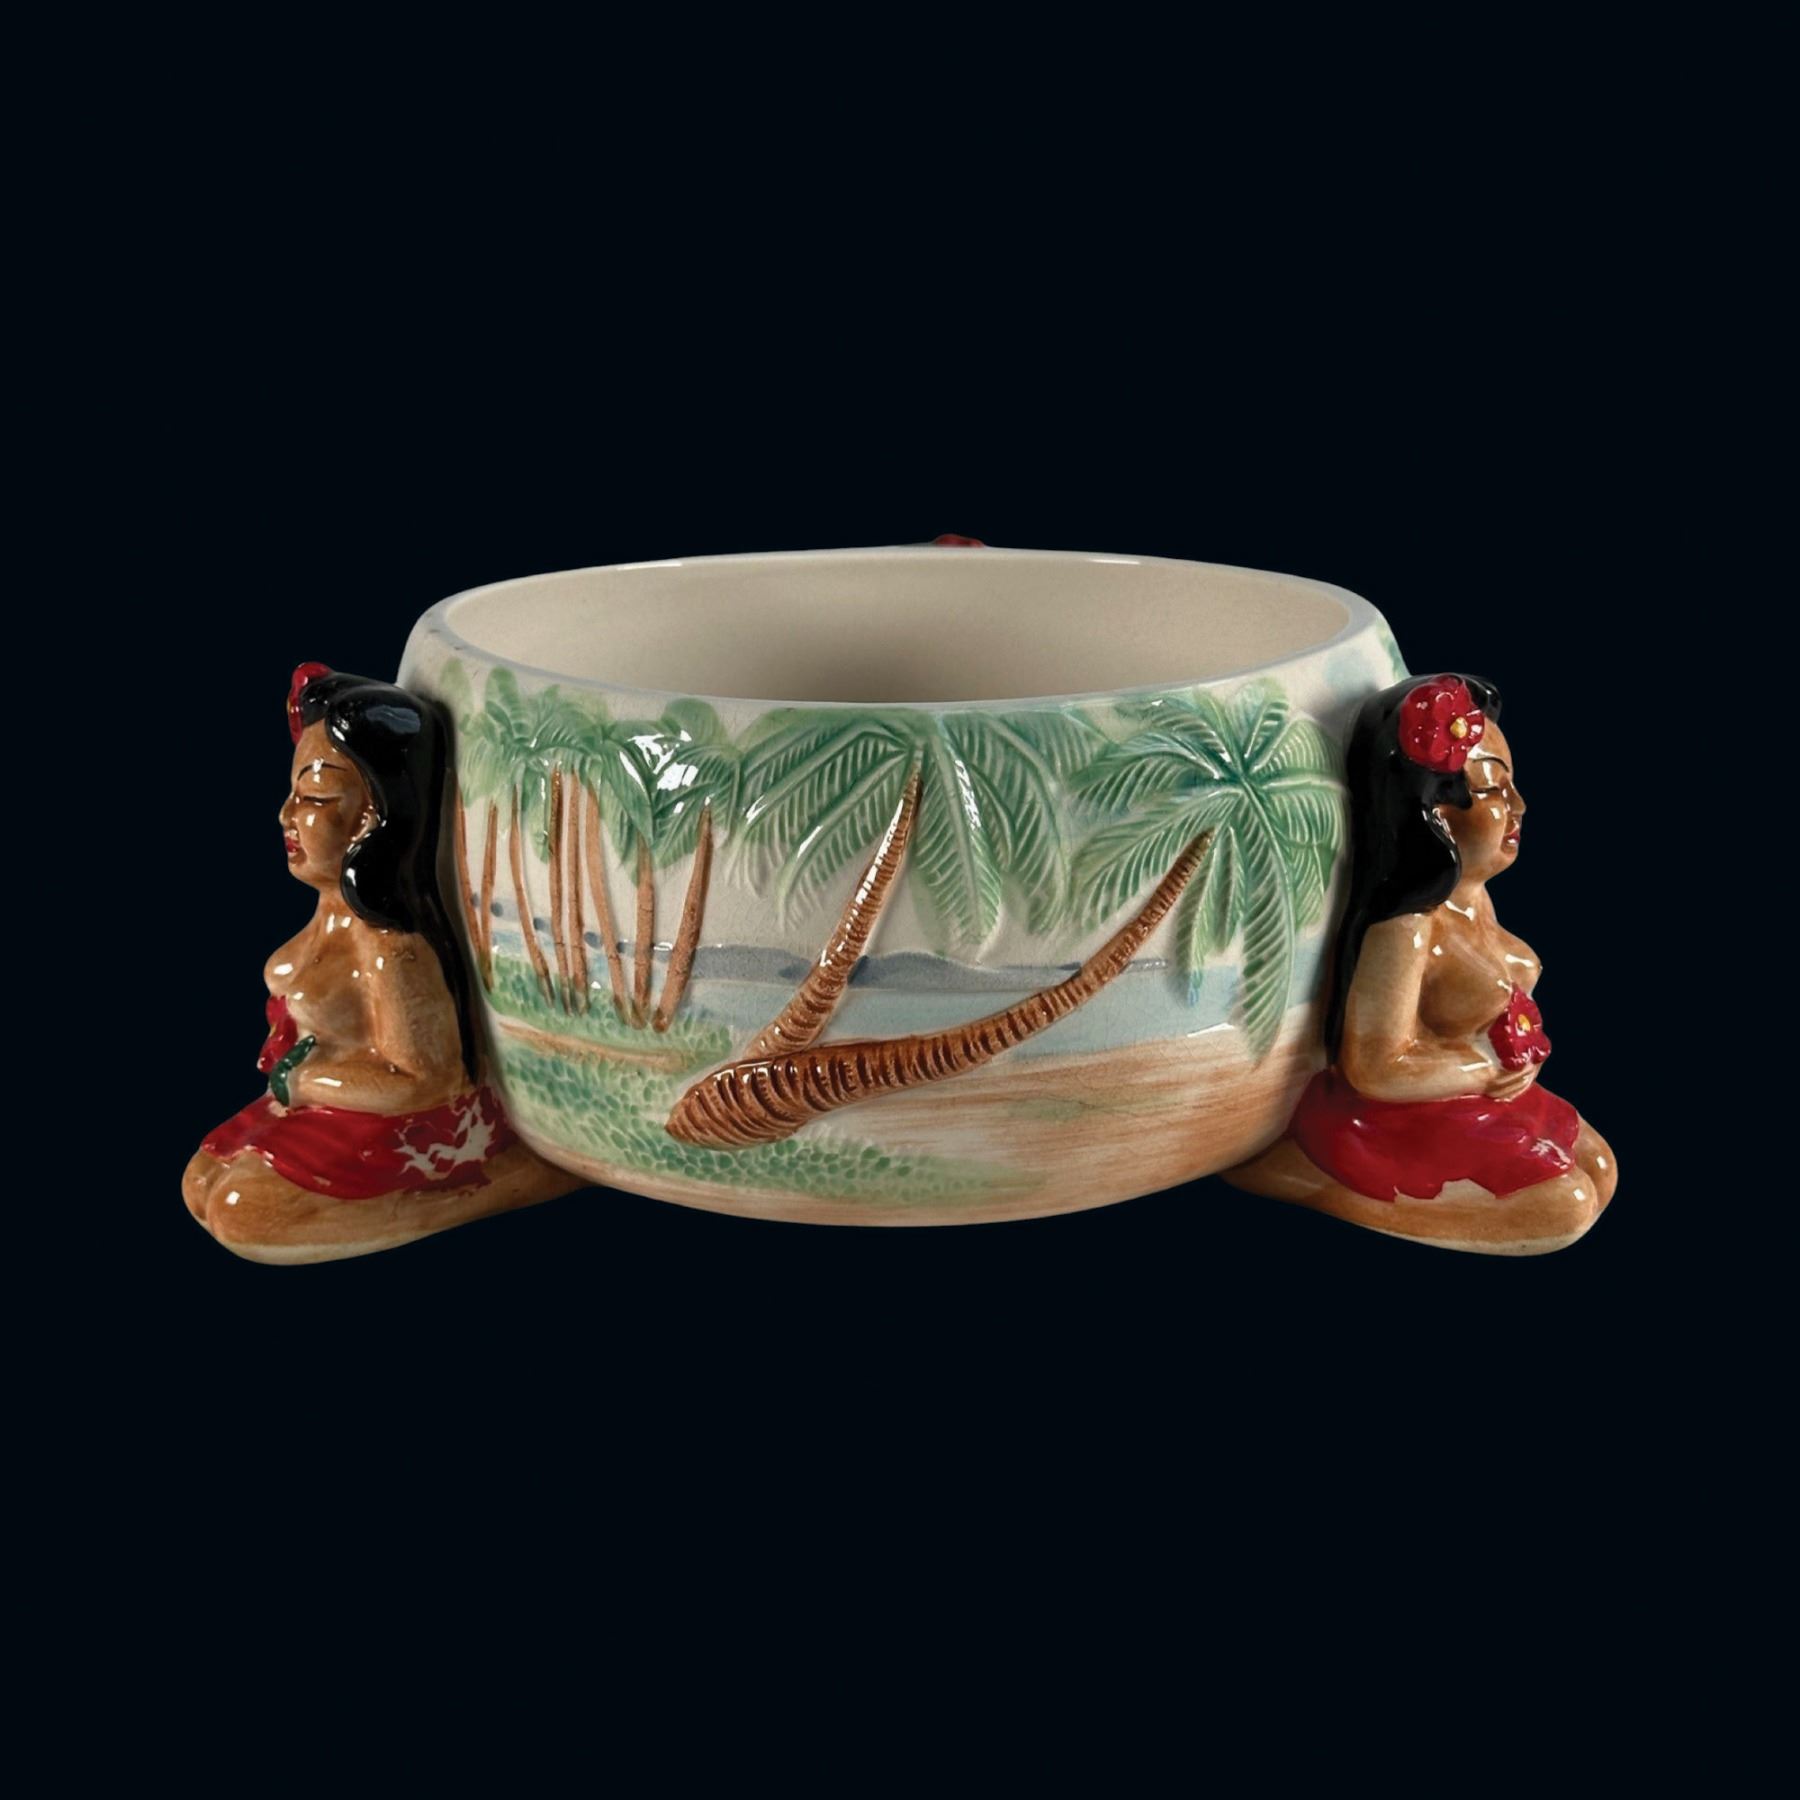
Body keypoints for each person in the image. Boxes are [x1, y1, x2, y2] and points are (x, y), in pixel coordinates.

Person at [184, 664, 574, 1261]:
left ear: (371, 817)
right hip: (330, 1110)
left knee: (241, 1210)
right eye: (294, 794)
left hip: (401, 1124)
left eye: (315, 798)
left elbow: (429, 1079)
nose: (286, 815)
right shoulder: (329, 914)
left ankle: (483, 1188)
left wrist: (304, 1079)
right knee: (201, 1182)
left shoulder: (392, 946)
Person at [1227, 674, 1616, 1254]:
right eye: (1493, 789)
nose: (1517, 806)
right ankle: (1317, 1181)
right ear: (1434, 811)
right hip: (1399, 1120)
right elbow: (1375, 1067)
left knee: (1602, 1168)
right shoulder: (1407, 927)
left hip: (1480, 1103)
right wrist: (1483, 1067)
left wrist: (1511, 1064)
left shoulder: (1473, 898)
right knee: (1569, 1206)